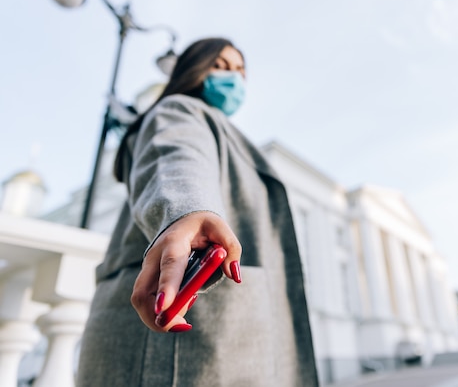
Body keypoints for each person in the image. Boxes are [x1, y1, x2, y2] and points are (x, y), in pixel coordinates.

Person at [76, 38, 319, 387]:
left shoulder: (225, 133)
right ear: (194, 68)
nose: (233, 78)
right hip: (173, 350)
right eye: (221, 66)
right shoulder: (176, 110)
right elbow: (175, 157)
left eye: (240, 71)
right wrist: (186, 213)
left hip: (228, 336)